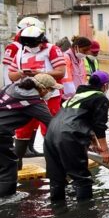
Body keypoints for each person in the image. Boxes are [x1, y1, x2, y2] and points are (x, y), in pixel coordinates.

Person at [44, 70, 109, 203]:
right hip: (69, 136)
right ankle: (86, 217)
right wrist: (105, 150)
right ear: (105, 86)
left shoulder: (76, 96)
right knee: (82, 178)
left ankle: (58, 213)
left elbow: (81, 119)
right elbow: (99, 125)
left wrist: (93, 143)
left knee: (56, 178)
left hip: (51, 135)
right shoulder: (100, 97)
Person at [4, 24, 66, 160]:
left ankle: (54, 162)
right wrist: (20, 73)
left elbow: (61, 72)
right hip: (27, 97)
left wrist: (41, 73)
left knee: (50, 127)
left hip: (50, 96)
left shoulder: (52, 50)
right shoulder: (20, 52)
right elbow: (11, 75)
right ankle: (17, 163)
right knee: (23, 129)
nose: (31, 47)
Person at [0, 74, 57, 196]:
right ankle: (7, 199)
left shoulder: (11, 87)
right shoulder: (34, 102)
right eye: (52, 90)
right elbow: (53, 124)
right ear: (43, 89)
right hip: (1, 134)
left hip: (3, 133)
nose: (52, 93)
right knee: (9, 166)